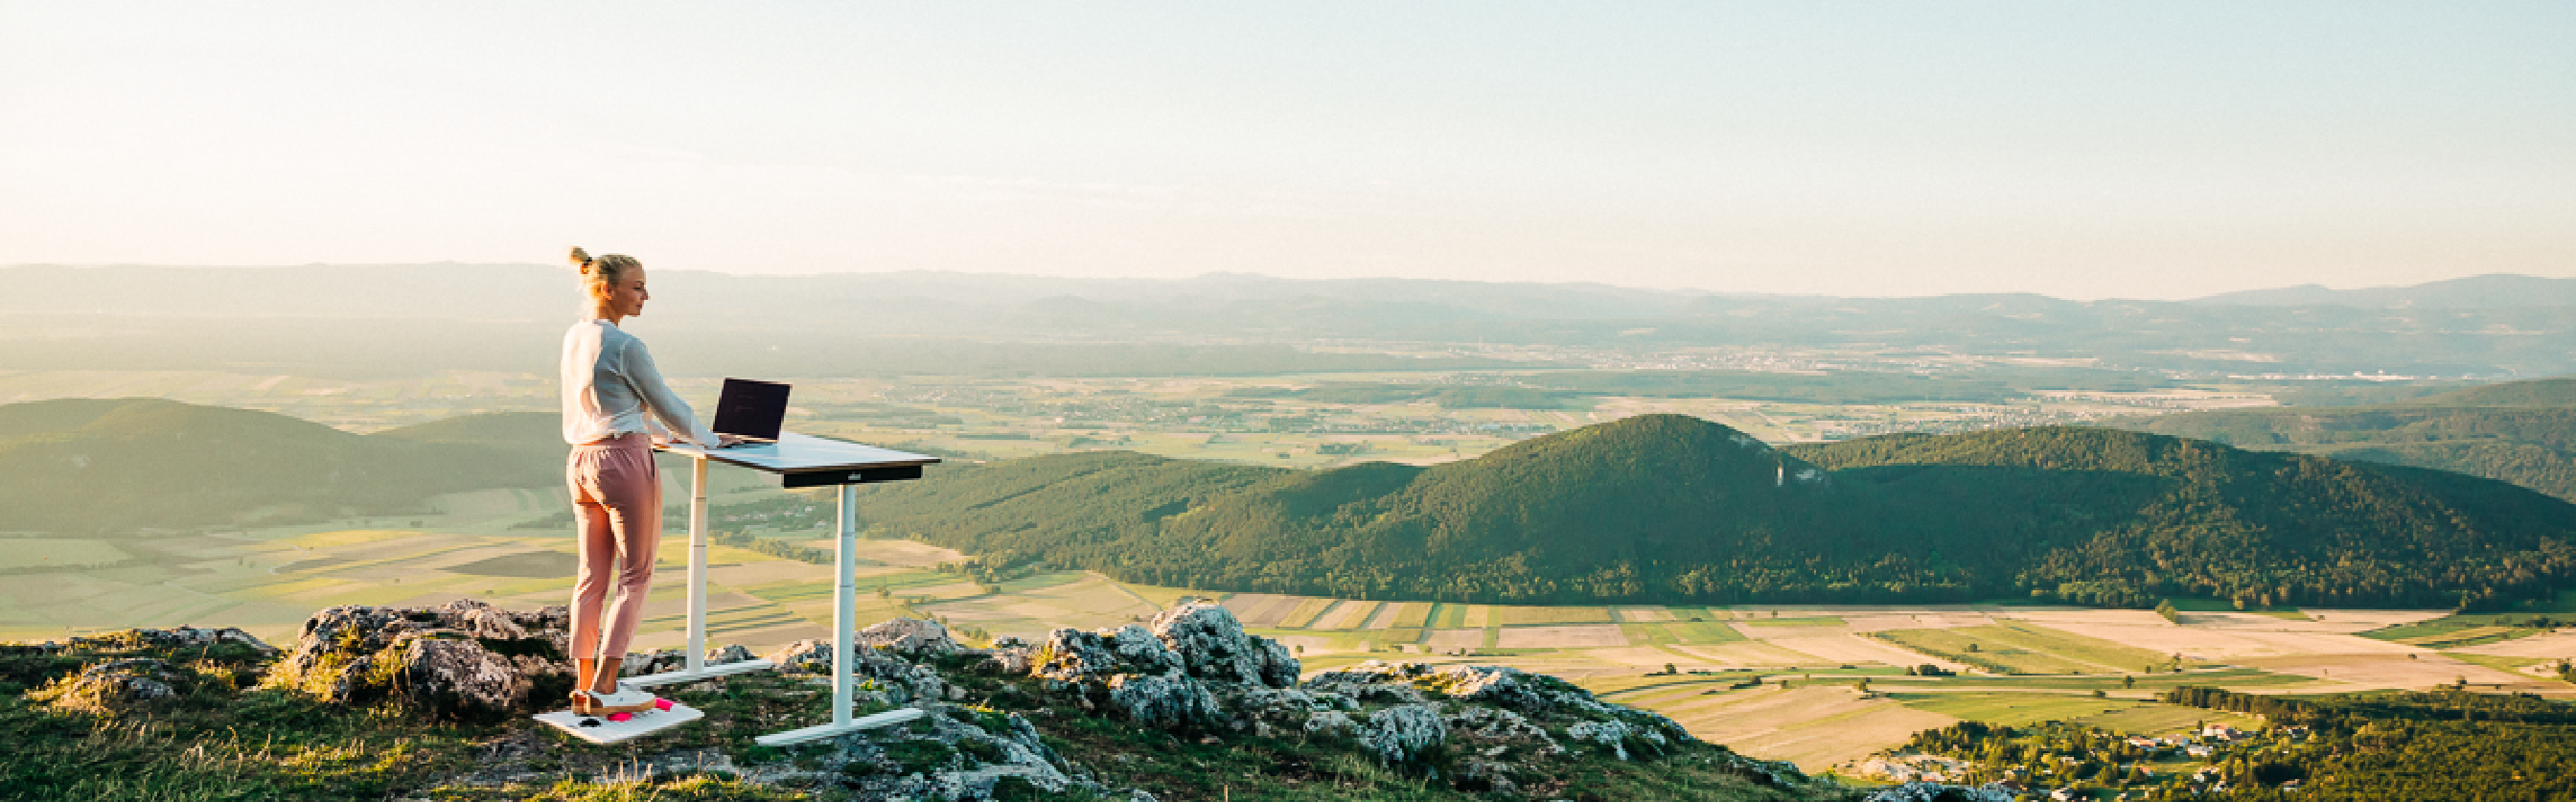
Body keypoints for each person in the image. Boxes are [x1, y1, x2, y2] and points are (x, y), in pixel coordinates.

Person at [558, 246, 737, 714]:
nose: (646, 296)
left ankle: (582, 686)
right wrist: (710, 441)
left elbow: (606, 403)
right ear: (606, 289)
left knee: (590, 579)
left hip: (581, 461)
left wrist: (653, 433)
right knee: (635, 576)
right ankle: (607, 685)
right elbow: (666, 403)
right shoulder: (626, 345)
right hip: (623, 464)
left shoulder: (575, 337)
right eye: (637, 287)